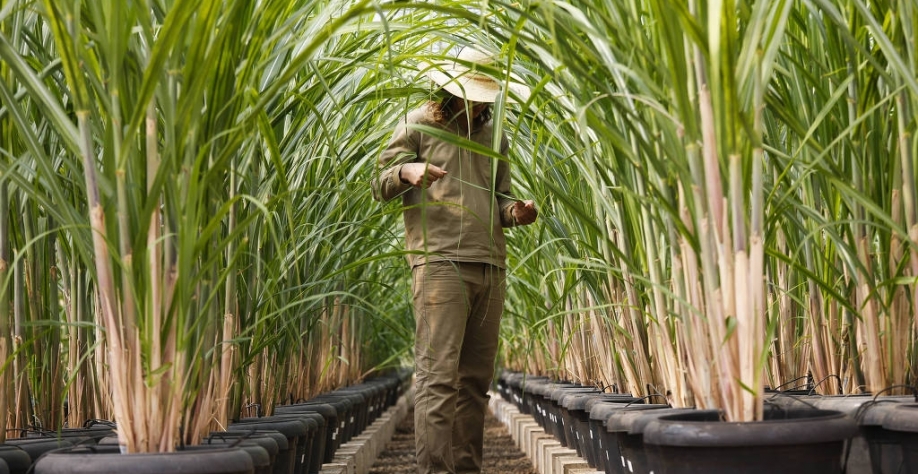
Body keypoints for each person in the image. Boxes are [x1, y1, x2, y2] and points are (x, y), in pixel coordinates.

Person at [371, 45, 537, 474]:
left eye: (485, 94)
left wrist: (515, 213)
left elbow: (499, 198)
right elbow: (380, 182)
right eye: (474, 92)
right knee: (437, 378)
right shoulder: (419, 125)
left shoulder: (492, 134)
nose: (481, 102)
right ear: (450, 88)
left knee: (476, 382)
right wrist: (408, 172)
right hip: (440, 263)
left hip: (490, 265)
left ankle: (467, 469)